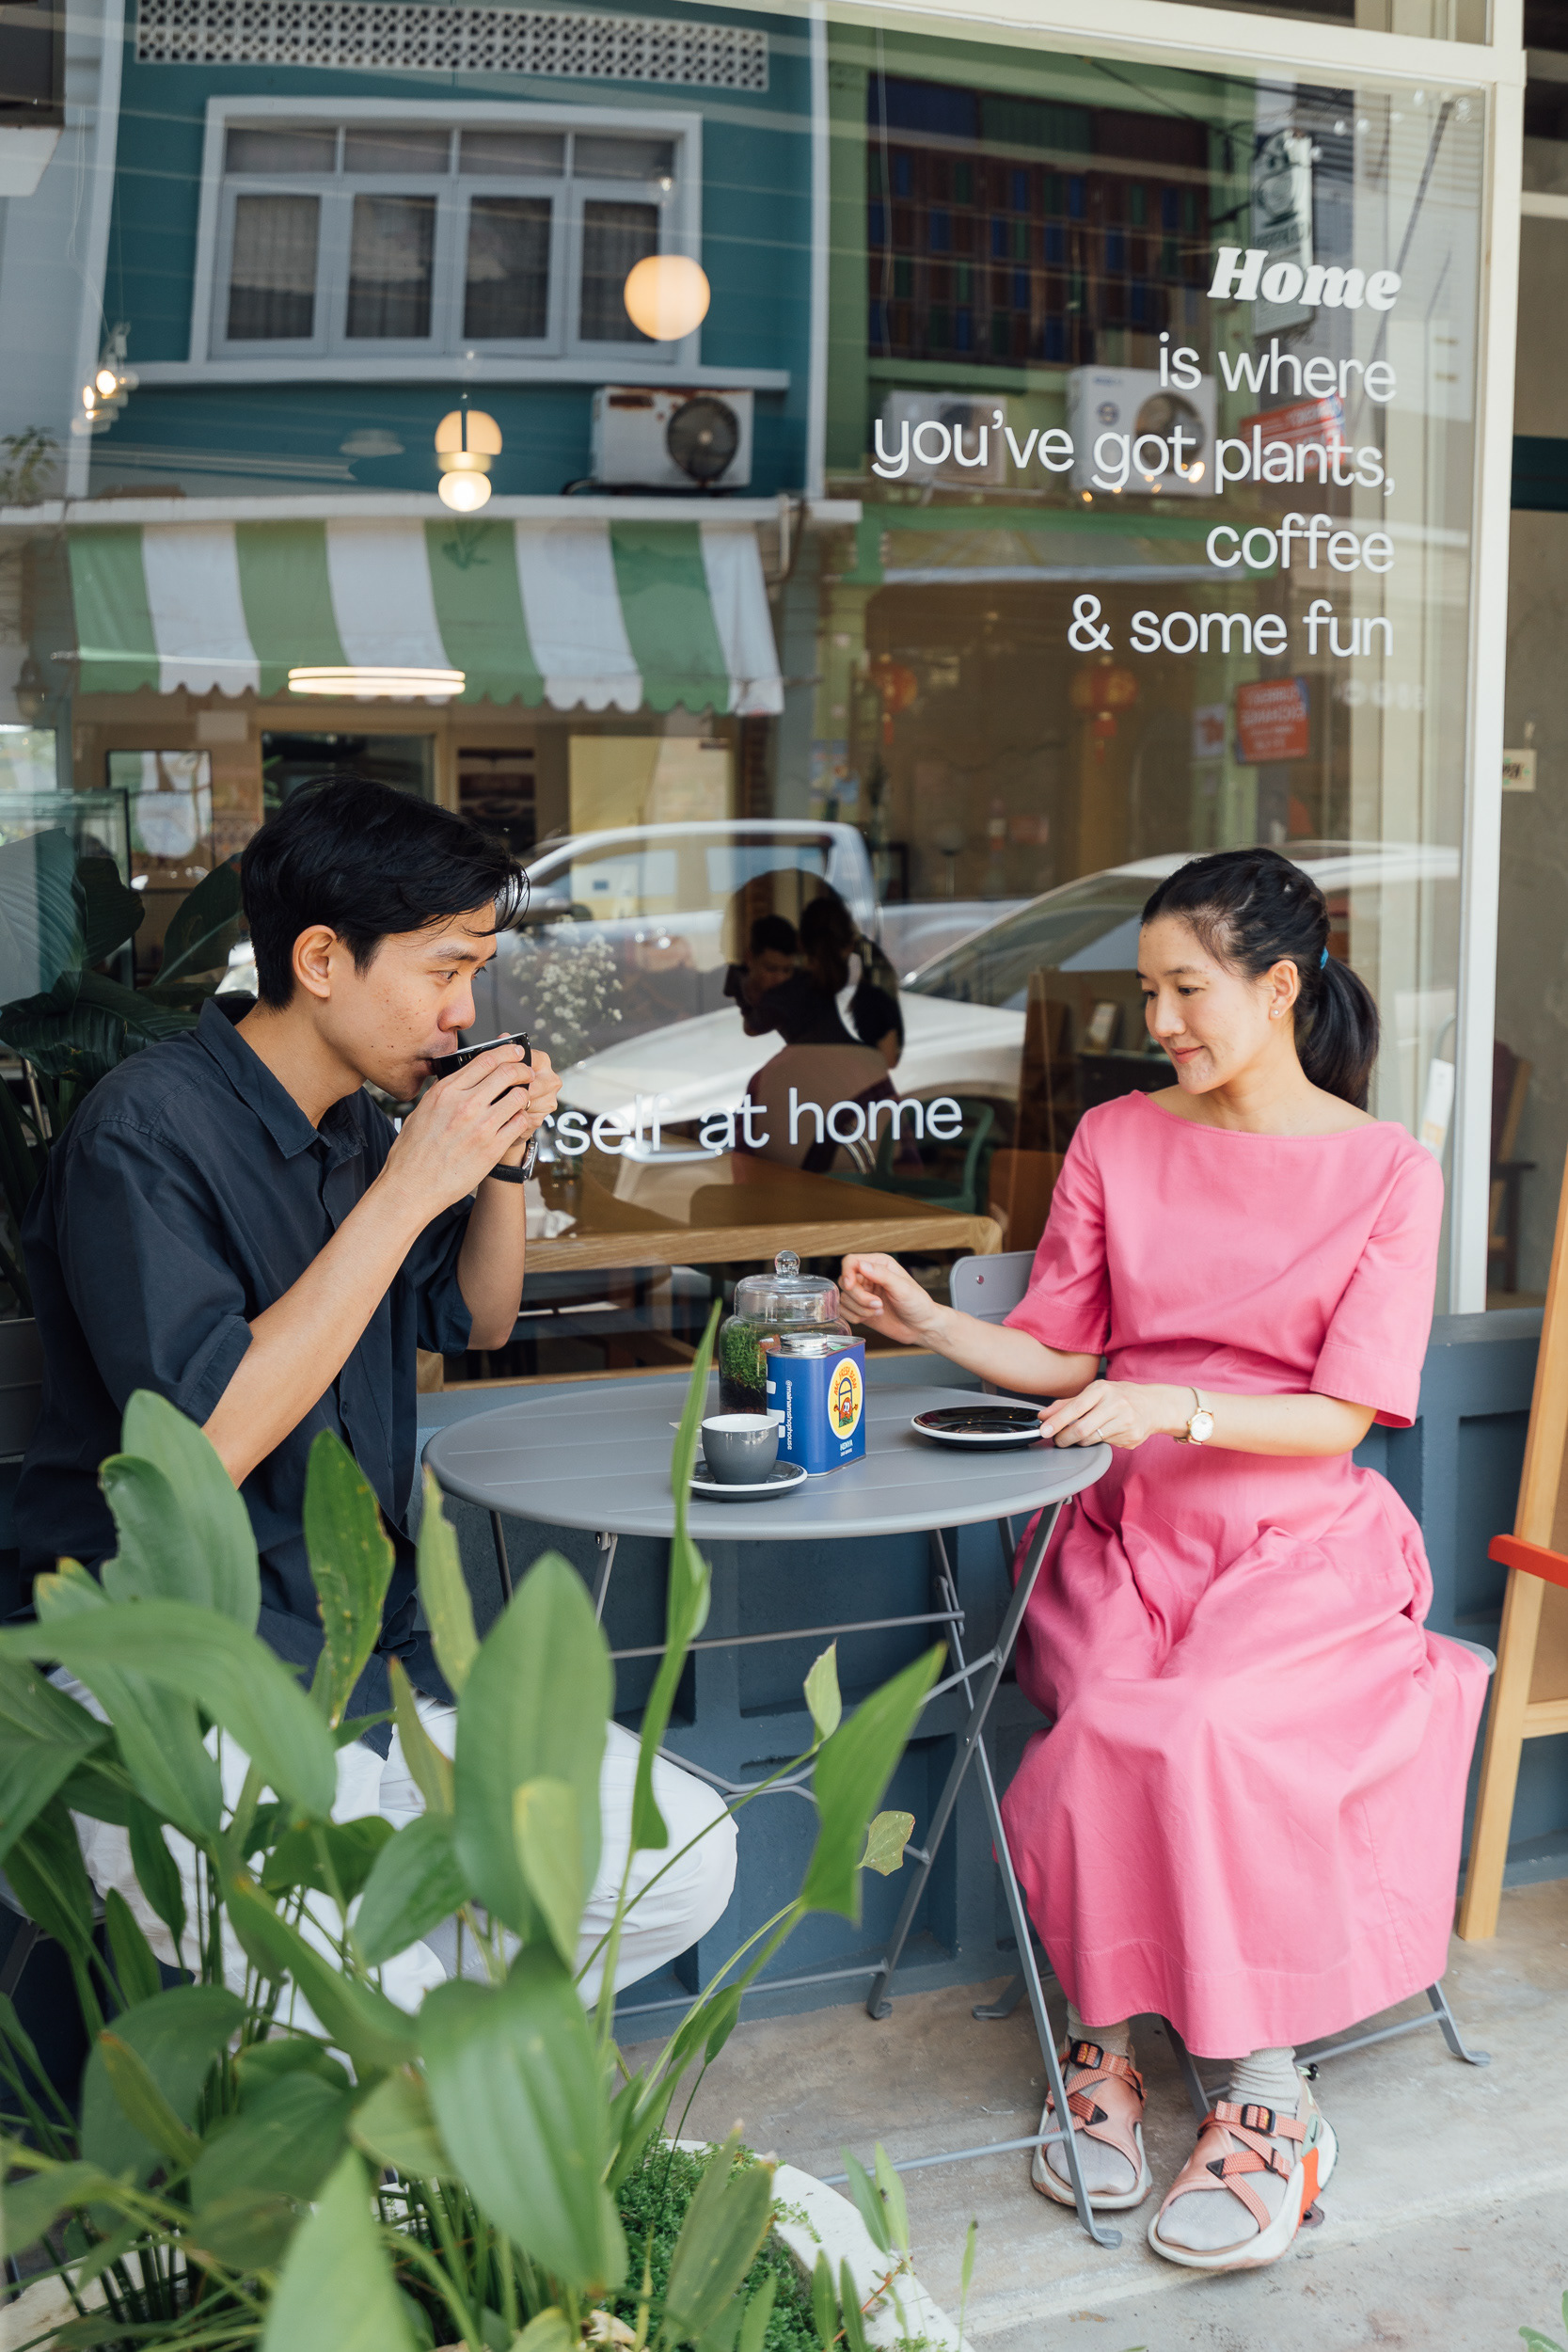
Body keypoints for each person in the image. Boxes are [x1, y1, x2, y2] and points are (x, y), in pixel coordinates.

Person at [839, 848, 1489, 2274]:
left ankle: (1258, 2083)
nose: (1159, 1023)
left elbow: (1342, 1411)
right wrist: (931, 1327)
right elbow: (1062, 1352)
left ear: (1276, 986)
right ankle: (1115, 2041)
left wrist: (1173, 1404)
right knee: (1115, 1727)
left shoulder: (1389, 1172)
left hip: (1297, 1543)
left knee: (1194, 1728)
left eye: (1183, 989)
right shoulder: (1116, 1141)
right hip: (1117, 1536)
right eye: (1146, 993)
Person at [18, 777, 736, 2002]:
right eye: (444, 970)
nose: (465, 1011)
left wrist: (496, 1162)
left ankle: (412, 2066)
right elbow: (201, 1453)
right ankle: (386, 2079)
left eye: (478, 973)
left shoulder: (355, 1121)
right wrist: (412, 1184)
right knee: (362, 1980)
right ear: (320, 960)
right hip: (182, 1680)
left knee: (683, 1860)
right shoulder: (145, 1134)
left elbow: (483, 1317)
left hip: (366, 1663)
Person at [744, 890, 904, 1070]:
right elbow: (888, 1061)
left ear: (800, 944)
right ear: (850, 944)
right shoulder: (871, 989)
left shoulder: (789, 992)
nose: (779, 976)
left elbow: (751, 1029)